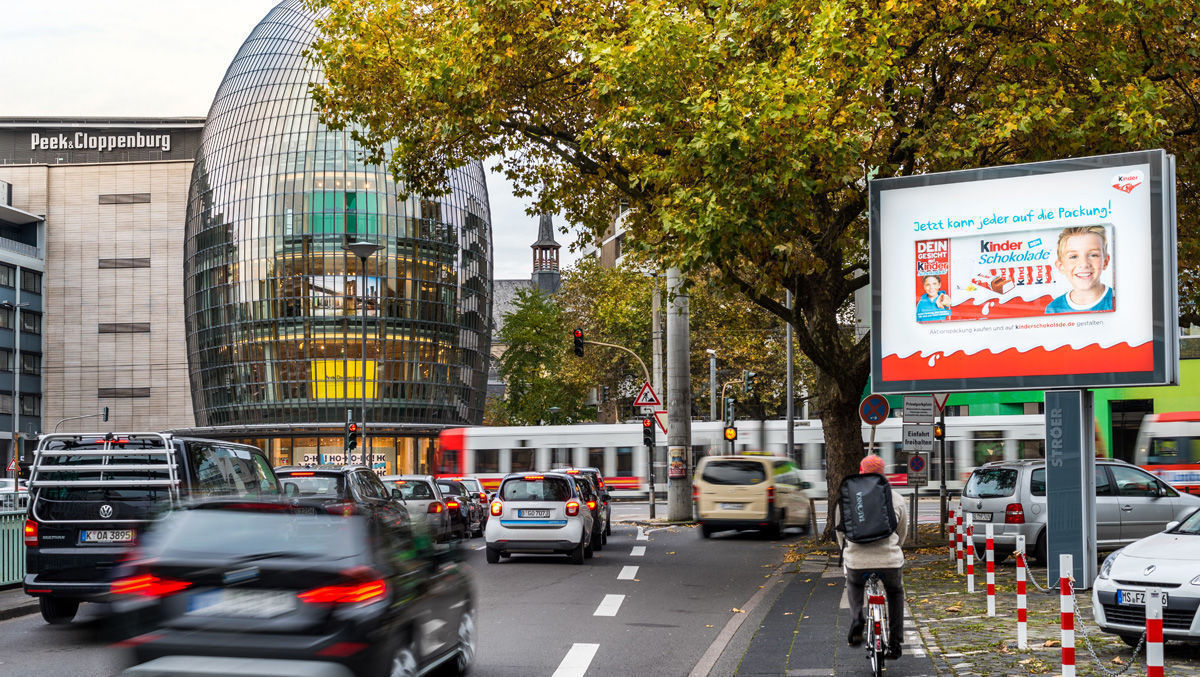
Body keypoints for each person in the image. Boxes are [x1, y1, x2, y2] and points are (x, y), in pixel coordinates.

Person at [836, 454, 908, 659]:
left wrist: (846, 550)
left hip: (857, 560)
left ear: (860, 472)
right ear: (883, 475)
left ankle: (858, 617)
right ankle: (895, 643)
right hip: (889, 560)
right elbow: (901, 531)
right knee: (895, 592)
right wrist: (896, 548)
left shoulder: (846, 497)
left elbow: (840, 531)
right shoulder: (896, 498)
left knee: (854, 583)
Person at [1045, 225, 1113, 314]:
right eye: (1073, 256)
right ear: (1061, 266)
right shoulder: (1053, 309)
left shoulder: (1118, 299)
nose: (1084, 264)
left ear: (1105, 262)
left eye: (1093, 255)